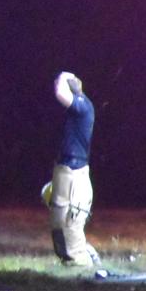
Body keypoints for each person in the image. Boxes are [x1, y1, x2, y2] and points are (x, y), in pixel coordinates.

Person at [48, 71, 99, 266]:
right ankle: (76, 257)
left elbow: (60, 93)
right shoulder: (76, 110)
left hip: (75, 172)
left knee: (70, 223)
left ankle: (82, 263)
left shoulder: (83, 106)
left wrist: (61, 77)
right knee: (59, 222)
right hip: (67, 168)